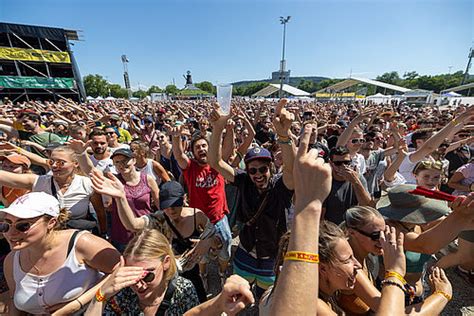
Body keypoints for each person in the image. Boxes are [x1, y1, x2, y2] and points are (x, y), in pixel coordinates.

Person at [208, 99, 295, 299]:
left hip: (270, 257)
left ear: (271, 168)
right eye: (252, 169)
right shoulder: (244, 181)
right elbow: (215, 162)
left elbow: (291, 169)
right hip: (245, 253)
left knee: (266, 300)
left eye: (263, 168)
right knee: (239, 297)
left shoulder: (280, 186)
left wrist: (284, 135)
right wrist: (218, 127)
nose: (258, 174)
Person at [91, 172, 215, 303]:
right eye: (167, 206)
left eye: (176, 204)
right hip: (167, 274)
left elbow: (213, 234)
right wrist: (121, 198)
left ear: (184, 199)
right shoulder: (159, 219)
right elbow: (132, 224)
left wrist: (205, 242)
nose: (171, 210)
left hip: (191, 272)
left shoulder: (196, 216)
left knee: (199, 302)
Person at [1, 192, 120, 314]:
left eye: (23, 225)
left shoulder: (81, 244)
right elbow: (15, 303)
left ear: (51, 223)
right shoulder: (12, 261)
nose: (11, 233)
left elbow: (120, 269)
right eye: (6, 225)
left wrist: (77, 303)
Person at [172, 120, 232, 286]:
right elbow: (178, 156)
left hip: (219, 218)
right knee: (200, 254)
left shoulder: (217, 165)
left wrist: (229, 128)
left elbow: (228, 149)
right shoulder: (190, 167)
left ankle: (222, 272)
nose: (202, 149)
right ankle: (203, 275)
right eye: (197, 147)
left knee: (225, 249)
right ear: (193, 152)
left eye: (204, 146)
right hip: (199, 221)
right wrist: (176, 138)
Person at [85, 229, 199, 315]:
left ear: (166, 263)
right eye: (133, 276)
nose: (139, 285)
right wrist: (100, 296)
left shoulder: (183, 290)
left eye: (147, 276)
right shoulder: (121, 295)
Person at [0, 146, 101, 232]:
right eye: (51, 161)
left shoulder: (87, 183)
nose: (54, 165)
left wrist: (103, 232)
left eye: (61, 163)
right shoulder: (39, 181)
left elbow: (100, 212)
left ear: (75, 163)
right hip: (46, 236)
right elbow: (6, 177)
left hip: (76, 236)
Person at [108, 148, 160, 252]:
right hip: (122, 235)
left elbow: (160, 205)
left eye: (125, 160)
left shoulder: (147, 179)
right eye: (117, 162)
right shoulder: (114, 182)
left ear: (134, 160)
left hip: (145, 233)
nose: (121, 164)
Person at [323, 146, 372, 225]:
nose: (343, 166)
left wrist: (355, 182)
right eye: (338, 163)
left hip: (353, 227)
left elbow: (368, 206)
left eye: (346, 162)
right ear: (331, 163)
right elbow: (321, 215)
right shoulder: (325, 181)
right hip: (332, 228)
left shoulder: (358, 178)